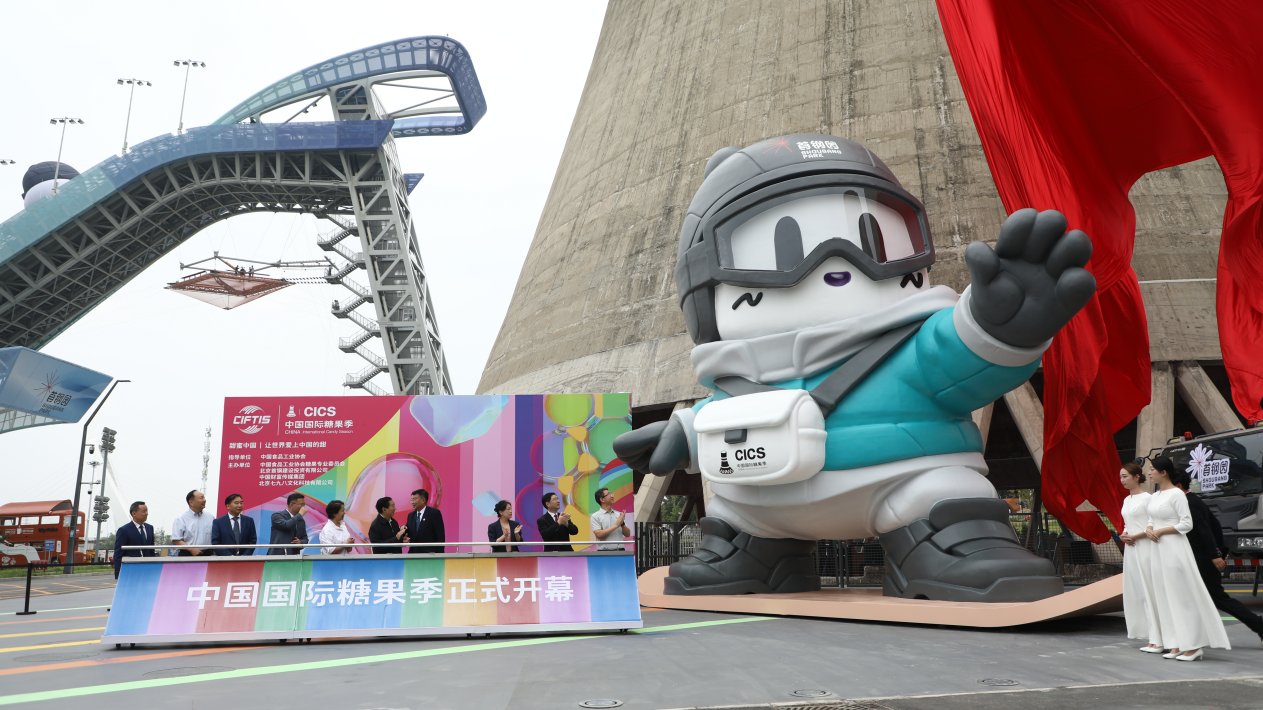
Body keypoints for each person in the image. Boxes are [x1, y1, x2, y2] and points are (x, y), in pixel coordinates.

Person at [1144, 457, 1230, 660]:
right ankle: (1175, 643)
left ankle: (1194, 645)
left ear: (1163, 472)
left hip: (1174, 548)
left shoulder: (1176, 494)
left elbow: (1186, 524)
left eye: (1152, 469)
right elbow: (1151, 519)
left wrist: (1161, 531)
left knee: (1181, 596)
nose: (1149, 472)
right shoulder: (1155, 495)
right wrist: (1149, 528)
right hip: (1158, 549)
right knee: (1165, 596)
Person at [1174, 471, 1263, 647]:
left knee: (1216, 597)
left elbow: (1205, 529)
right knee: (1204, 597)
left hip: (1202, 558)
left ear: (1177, 486)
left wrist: (1216, 555)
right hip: (1202, 557)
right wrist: (1222, 550)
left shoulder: (1189, 503)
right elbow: (1215, 524)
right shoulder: (1195, 500)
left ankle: (1259, 625)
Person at [1117, 463, 1163, 652]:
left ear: (1137, 477)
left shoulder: (1148, 498)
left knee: (1149, 591)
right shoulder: (1127, 500)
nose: (1122, 480)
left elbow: (1153, 525)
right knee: (1138, 593)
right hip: (1131, 548)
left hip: (1145, 547)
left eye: (1125, 476)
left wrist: (1135, 536)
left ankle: (1158, 639)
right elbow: (1128, 523)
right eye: (1120, 477)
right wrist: (1124, 534)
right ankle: (1152, 637)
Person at [112, 501, 156, 578]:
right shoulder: (124, 530)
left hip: (148, 571)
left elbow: (151, 551)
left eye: (147, 511)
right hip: (131, 571)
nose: (146, 513)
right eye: (143, 511)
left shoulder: (150, 528)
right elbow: (118, 554)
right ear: (134, 513)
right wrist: (118, 576)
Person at [172, 490, 214, 556]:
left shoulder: (210, 516)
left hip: (208, 554)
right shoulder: (181, 518)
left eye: (204, 498)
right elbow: (176, 540)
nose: (204, 500)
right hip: (187, 554)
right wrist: (191, 549)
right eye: (201, 498)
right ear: (191, 502)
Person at [406, 489, 445, 554]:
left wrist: (439, 555)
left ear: (423, 500)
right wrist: (403, 528)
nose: (412, 502)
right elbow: (408, 530)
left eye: (414, 499)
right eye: (411, 500)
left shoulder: (434, 513)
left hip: (429, 554)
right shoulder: (411, 515)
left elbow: (440, 536)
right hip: (413, 554)